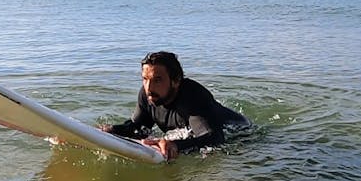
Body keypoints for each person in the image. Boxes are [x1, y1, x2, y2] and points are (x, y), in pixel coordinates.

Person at [100, 51, 249, 161]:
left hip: (241, 134)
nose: (149, 87)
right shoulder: (148, 95)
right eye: (145, 79)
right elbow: (138, 127)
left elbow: (214, 137)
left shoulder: (192, 97)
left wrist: (176, 146)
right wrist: (111, 131)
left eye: (157, 80)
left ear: (176, 81)